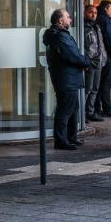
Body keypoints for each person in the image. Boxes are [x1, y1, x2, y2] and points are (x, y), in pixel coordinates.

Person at [43, 9, 91, 150]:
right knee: (65, 110)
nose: (70, 20)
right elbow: (72, 55)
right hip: (66, 78)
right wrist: (86, 62)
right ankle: (61, 141)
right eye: (68, 17)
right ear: (60, 21)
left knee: (73, 108)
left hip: (68, 77)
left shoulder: (58, 35)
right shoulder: (60, 37)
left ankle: (71, 137)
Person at [83, 4, 108, 122]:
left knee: (95, 89)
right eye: (90, 12)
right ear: (84, 13)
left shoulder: (96, 27)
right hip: (89, 63)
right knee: (87, 89)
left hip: (98, 62)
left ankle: (90, 112)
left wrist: (103, 58)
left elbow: (100, 44)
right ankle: (81, 114)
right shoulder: (82, 27)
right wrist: (86, 61)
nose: (93, 15)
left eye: (95, 13)